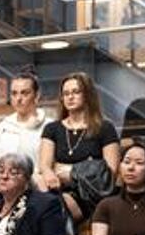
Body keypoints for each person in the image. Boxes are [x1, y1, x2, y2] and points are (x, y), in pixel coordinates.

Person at [37, 71, 120, 222]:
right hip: (56, 190)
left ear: (87, 95)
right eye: (66, 93)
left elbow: (110, 174)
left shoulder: (105, 128)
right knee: (37, 181)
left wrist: (69, 172)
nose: (70, 97)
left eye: (76, 92)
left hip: (89, 195)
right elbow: (45, 166)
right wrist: (52, 173)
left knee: (50, 207)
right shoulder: (52, 129)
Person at [0, 71, 50, 191]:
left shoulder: (49, 126)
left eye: (24, 93)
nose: (18, 98)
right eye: (14, 93)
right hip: (4, 192)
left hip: (38, 192)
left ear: (36, 96)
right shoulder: (3, 127)